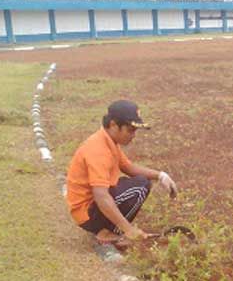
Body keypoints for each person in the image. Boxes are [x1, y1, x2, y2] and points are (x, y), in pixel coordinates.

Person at [66, 100, 178, 245]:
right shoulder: (98, 150)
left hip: (89, 209)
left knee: (139, 182)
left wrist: (161, 176)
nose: (133, 135)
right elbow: (101, 196)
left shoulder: (108, 141)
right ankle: (106, 233)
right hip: (87, 212)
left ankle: (113, 230)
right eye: (130, 130)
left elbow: (128, 168)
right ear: (113, 125)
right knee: (139, 187)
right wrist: (129, 229)